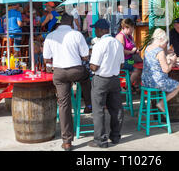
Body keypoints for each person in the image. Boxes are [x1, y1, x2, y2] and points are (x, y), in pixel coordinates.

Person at [43, 13, 92, 151]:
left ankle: (67, 142)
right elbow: (85, 56)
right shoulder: (76, 34)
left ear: (60, 22)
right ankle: (88, 103)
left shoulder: (51, 36)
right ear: (71, 23)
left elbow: (46, 59)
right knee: (86, 77)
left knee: (64, 104)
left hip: (59, 73)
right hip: (76, 71)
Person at [88, 19, 125, 148]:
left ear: (102, 30)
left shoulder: (100, 44)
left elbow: (94, 67)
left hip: (101, 79)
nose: (95, 31)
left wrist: (89, 62)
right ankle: (115, 136)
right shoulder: (118, 43)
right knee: (116, 109)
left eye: (97, 29)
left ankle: (101, 140)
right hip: (115, 79)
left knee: (98, 110)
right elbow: (121, 64)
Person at [141, 28, 179, 112]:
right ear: (161, 40)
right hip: (156, 82)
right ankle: (162, 103)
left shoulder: (148, 48)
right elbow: (166, 70)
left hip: (145, 81)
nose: (166, 44)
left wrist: (167, 54)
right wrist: (172, 61)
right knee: (178, 86)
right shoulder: (160, 51)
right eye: (166, 42)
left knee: (167, 83)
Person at [116, 18, 141, 92]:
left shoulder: (130, 36)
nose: (133, 30)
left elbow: (132, 46)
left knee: (142, 65)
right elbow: (121, 51)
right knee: (138, 68)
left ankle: (136, 86)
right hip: (124, 61)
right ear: (125, 28)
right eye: (131, 28)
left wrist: (136, 50)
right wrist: (131, 52)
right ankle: (127, 86)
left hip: (130, 60)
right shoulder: (120, 36)